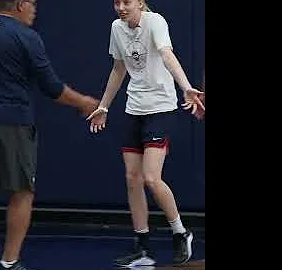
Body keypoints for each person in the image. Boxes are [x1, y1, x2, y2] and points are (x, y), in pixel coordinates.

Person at [0, 0, 99, 269]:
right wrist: (84, 102)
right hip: (13, 124)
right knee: (22, 192)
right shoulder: (26, 36)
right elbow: (52, 87)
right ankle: (10, 263)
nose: (34, 10)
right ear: (20, 4)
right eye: (33, 5)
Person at [86, 0, 205, 267]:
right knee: (132, 178)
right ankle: (142, 248)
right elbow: (118, 69)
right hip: (133, 108)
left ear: (140, 2)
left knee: (152, 177)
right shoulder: (117, 27)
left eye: (127, 1)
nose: (120, 7)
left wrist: (185, 86)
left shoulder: (155, 22)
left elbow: (166, 54)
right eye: (116, 2)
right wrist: (103, 106)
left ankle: (180, 232)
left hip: (160, 108)